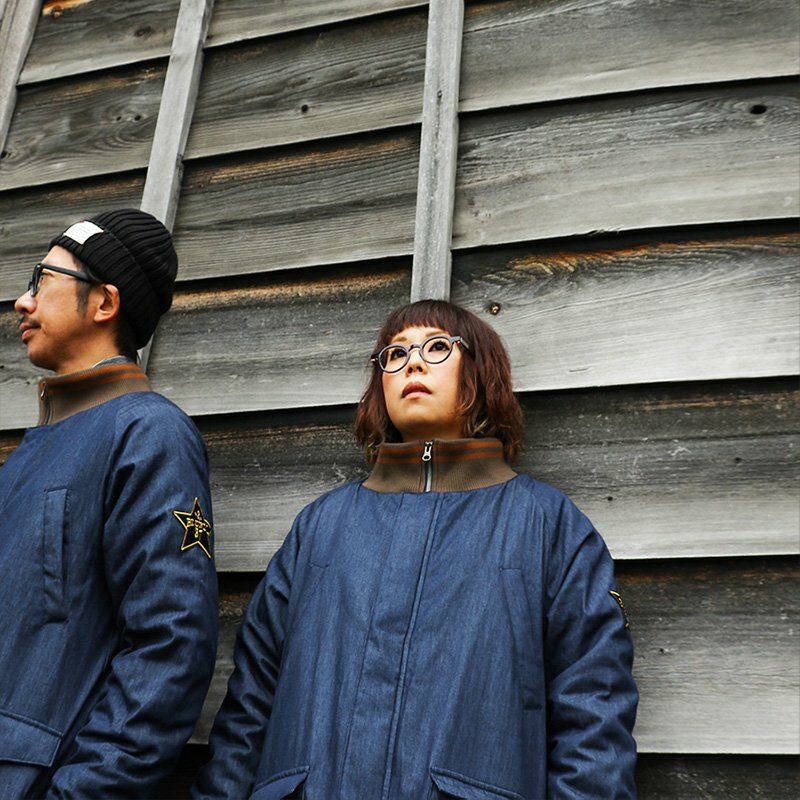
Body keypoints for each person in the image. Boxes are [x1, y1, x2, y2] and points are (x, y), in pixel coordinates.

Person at [192, 299, 638, 799]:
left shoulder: (548, 526)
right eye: (396, 353)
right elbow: (250, 702)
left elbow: (594, 714)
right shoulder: (320, 527)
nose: (413, 364)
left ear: (480, 371)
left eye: (437, 347)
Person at [0, 209, 218, 799]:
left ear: (103, 303)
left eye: (42, 279)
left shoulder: (150, 434)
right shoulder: (28, 453)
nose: (22, 301)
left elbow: (171, 649)